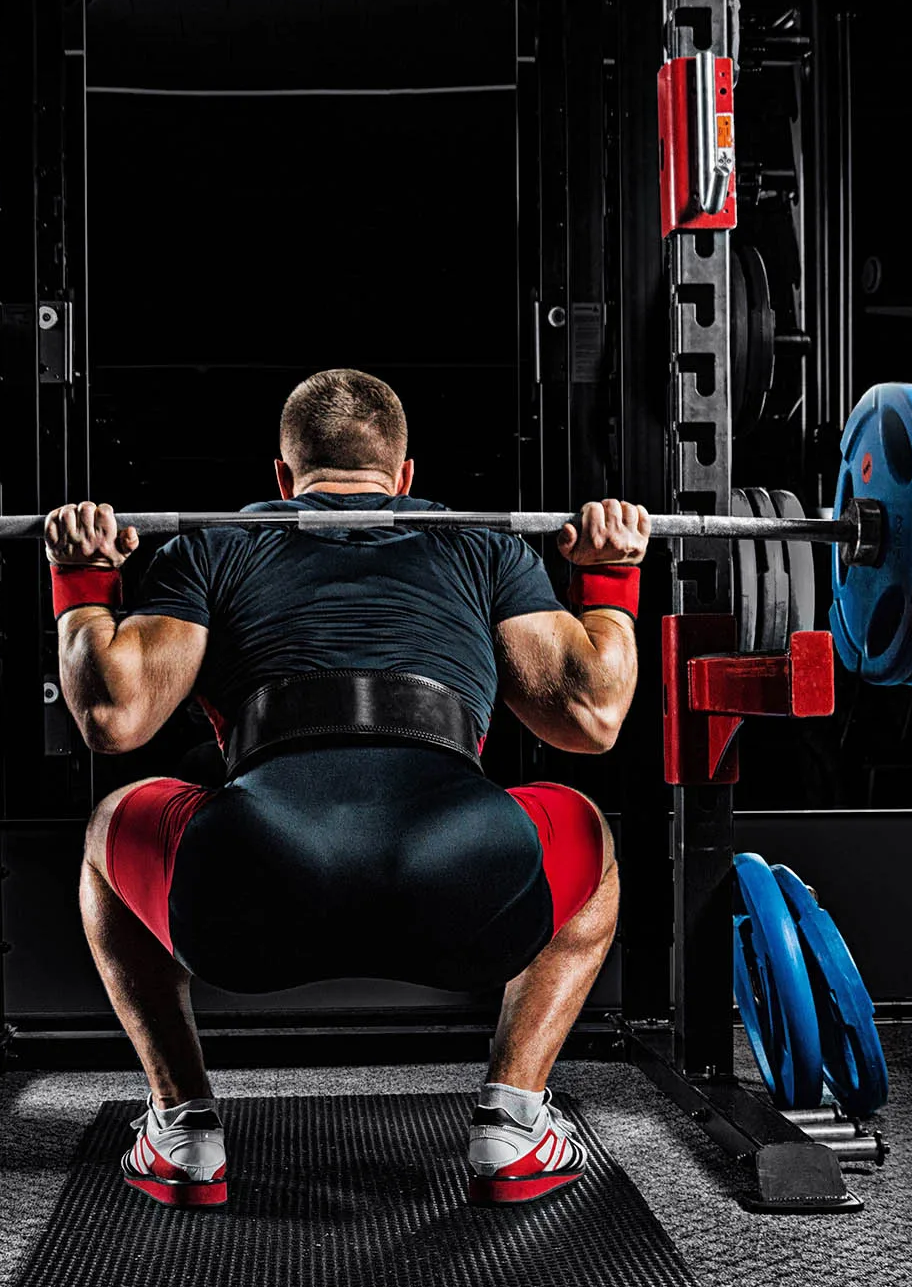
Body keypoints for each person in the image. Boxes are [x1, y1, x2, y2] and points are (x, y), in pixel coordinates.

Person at [45, 368, 648, 1208]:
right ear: (405, 476)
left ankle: (183, 1133)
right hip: (460, 885)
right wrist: (611, 574)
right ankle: (514, 1126)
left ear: (283, 479)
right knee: (584, 832)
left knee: (113, 823)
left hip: (256, 890)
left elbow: (113, 718)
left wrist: (81, 578)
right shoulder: (484, 547)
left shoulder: (214, 545)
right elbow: (593, 713)